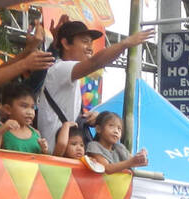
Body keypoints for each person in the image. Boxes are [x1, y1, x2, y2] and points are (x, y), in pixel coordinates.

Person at [35, 19, 153, 147]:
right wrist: (125, 43)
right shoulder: (60, 69)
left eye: (91, 43)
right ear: (66, 44)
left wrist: (85, 118)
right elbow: (95, 62)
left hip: (63, 155)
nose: (90, 48)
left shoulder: (67, 73)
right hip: (55, 155)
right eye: (85, 42)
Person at [0, 80, 46, 154]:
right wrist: (0, 132)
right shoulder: (1, 131)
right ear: (8, 109)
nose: (30, 112)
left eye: (32, 107)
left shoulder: (36, 134)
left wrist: (44, 151)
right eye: (24, 106)